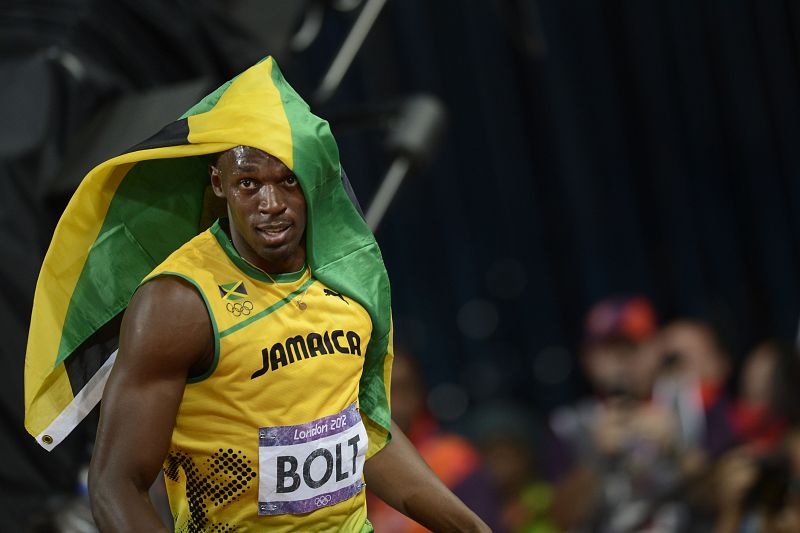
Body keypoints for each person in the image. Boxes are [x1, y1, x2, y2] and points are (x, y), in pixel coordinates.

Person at [27, 58, 489, 532]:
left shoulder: (347, 276)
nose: (270, 205)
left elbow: (363, 431)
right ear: (218, 183)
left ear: (312, 178)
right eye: (249, 184)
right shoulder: (179, 302)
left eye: (288, 180)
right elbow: (116, 485)